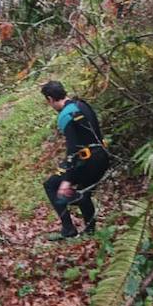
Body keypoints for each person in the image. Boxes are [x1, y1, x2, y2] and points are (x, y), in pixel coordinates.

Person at [40, 80, 110, 240]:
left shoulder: (65, 115)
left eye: (48, 101)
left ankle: (68, 228)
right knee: (82, 189)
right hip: (103, 157)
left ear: (50, 99)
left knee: (51, 185)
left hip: (89, 162)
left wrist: (67, 180)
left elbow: (72, 149)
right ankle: (91, 231)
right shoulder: (82, 104)